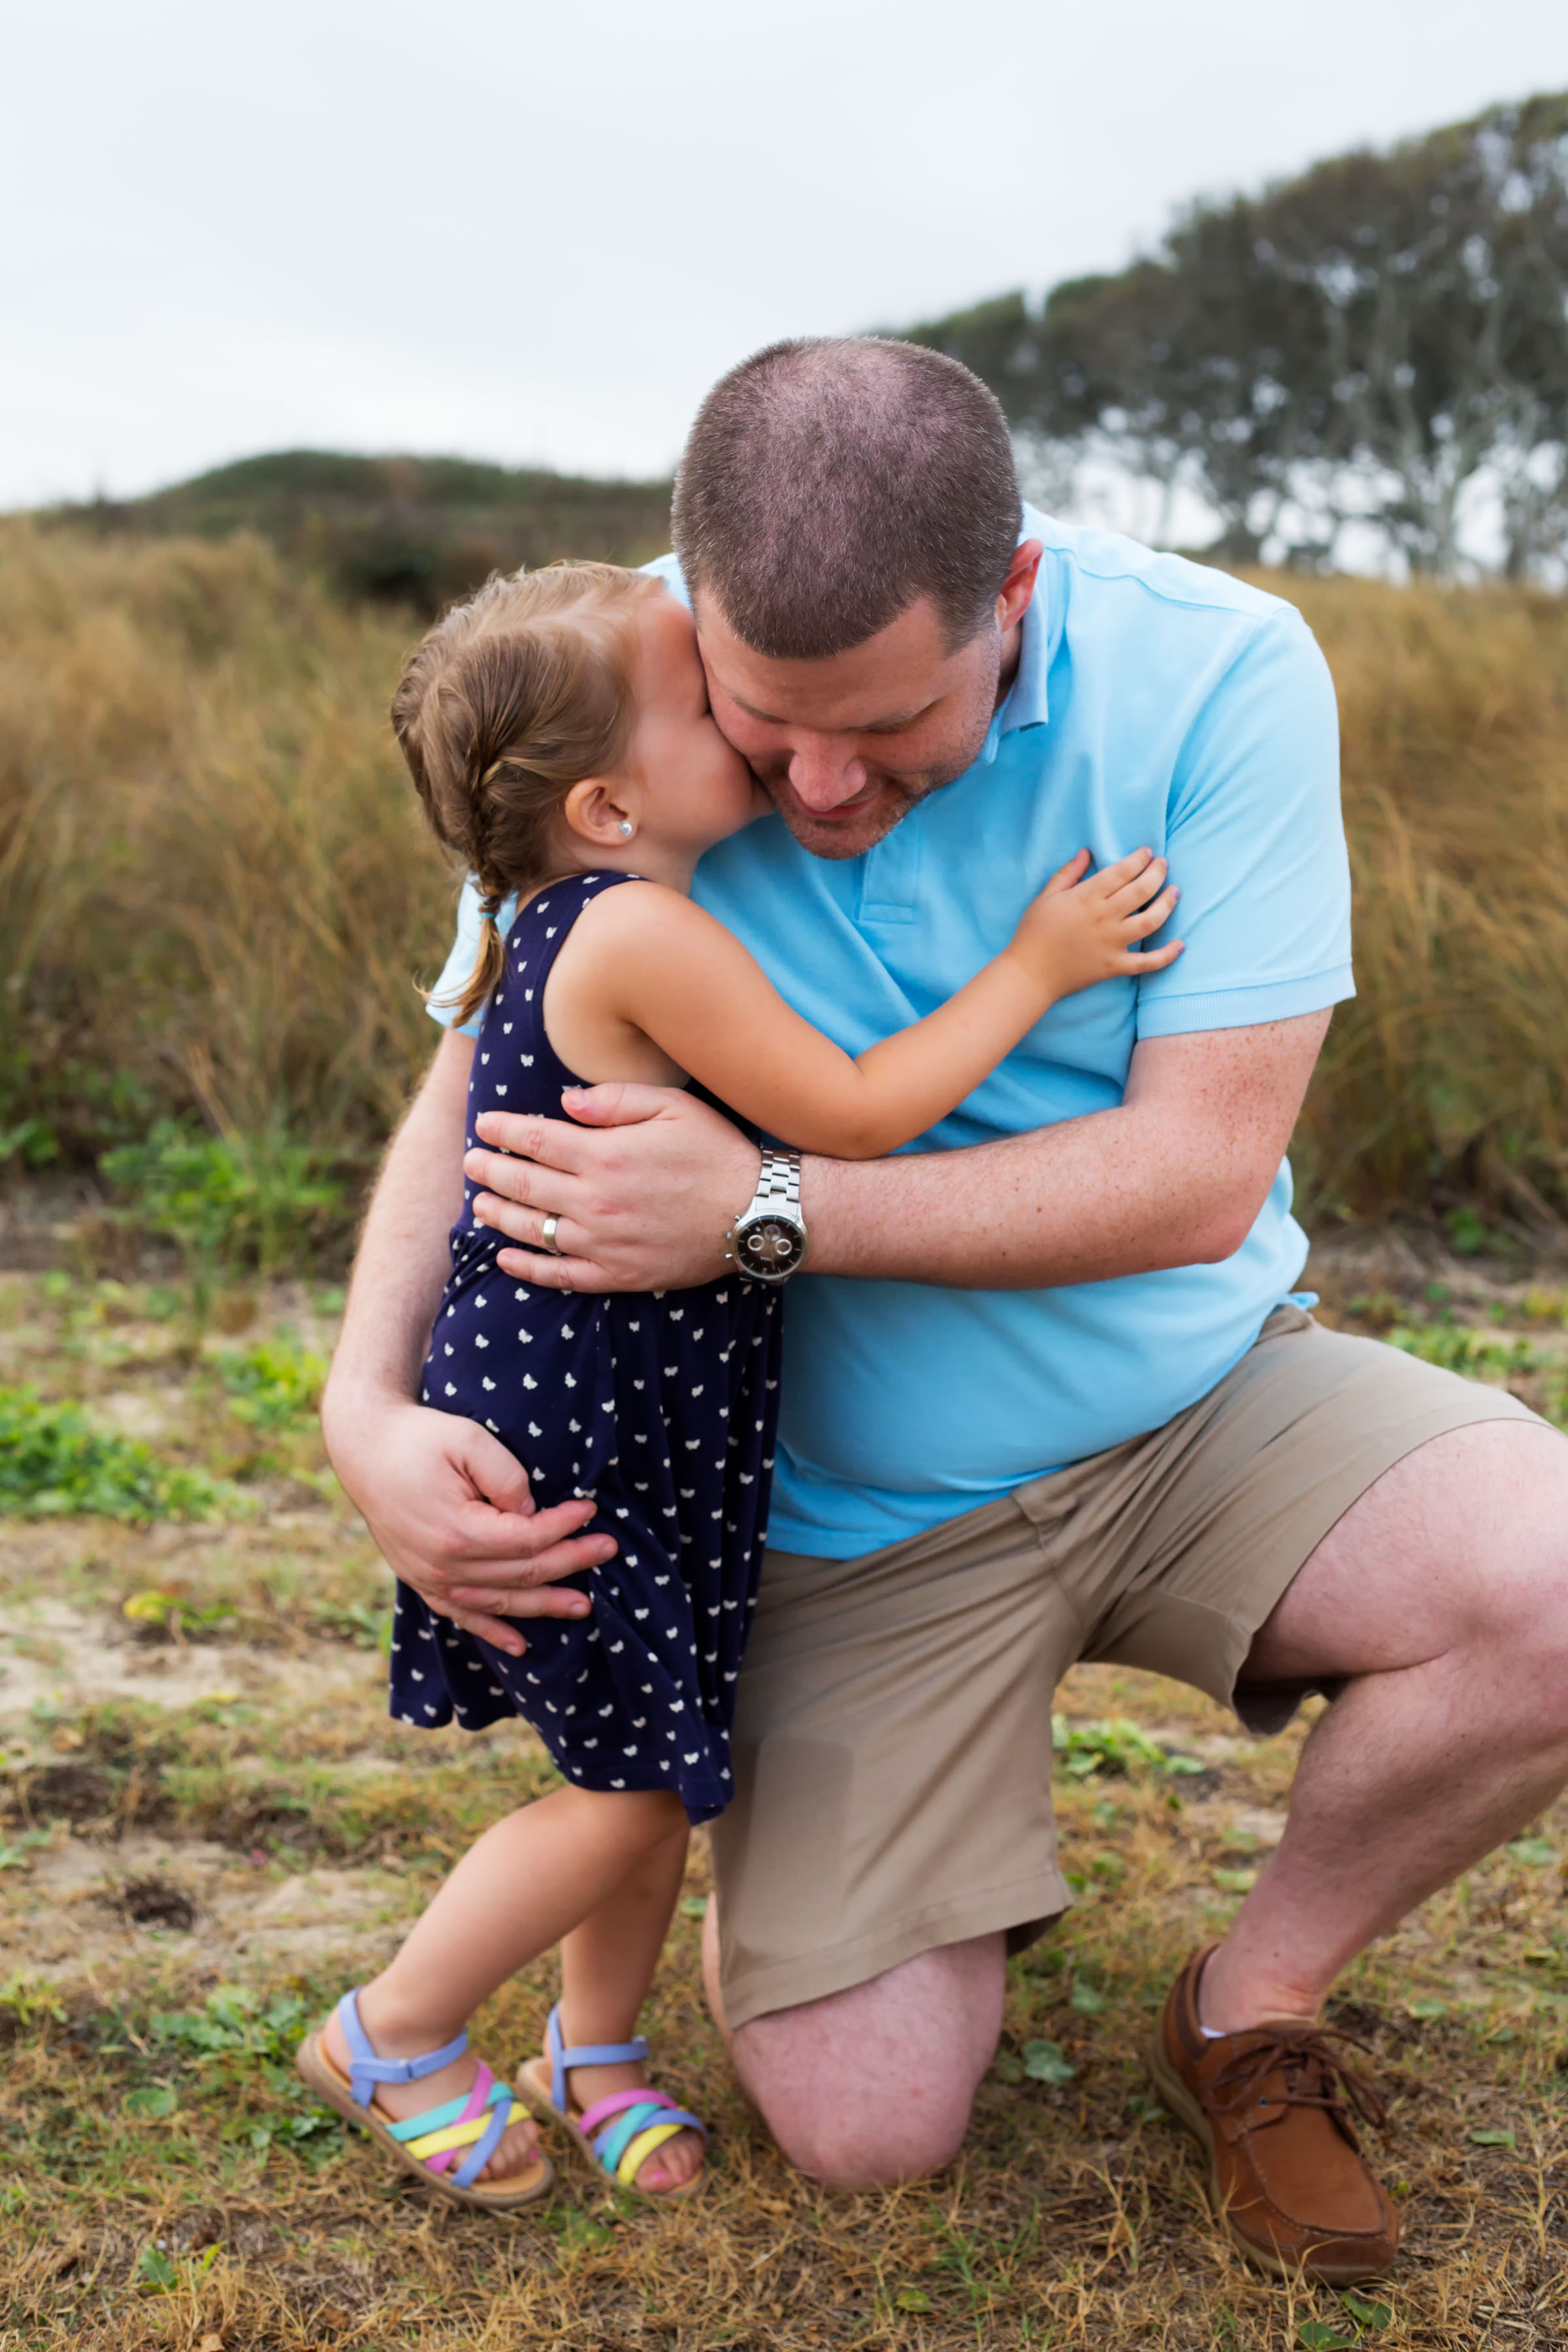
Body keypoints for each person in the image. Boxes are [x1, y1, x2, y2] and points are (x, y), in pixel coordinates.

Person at [322, 338, 1568, 2281]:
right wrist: (360, 1406)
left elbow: (1194, 1177)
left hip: (1191, 1401)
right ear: (688, 604)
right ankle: (898, 1854)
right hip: (840, 1509)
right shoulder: (607, 684)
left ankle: (1248, 2009)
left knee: (1556, 1577)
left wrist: (760, 1216)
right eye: (766, 723)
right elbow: (481, 1067)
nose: (820, 786)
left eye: (893, 729)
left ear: (1011, 600)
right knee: (865, 2128)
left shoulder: (1228, 673)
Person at [299, 557, 1182, 2210]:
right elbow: (852, 1116)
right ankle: (395, 2028)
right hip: (591, 1407)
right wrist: (1039, 966)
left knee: (653, 1755)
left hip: (635, 1393)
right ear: (612, 803)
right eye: (705, 700)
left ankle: (598, 2049)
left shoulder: (579, 915)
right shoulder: (638, 932)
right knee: (631, 1799)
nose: (752, 724)